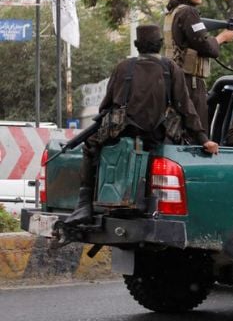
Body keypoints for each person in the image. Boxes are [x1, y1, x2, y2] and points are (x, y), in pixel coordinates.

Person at [64, 25, 219, 225]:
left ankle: (84, 205)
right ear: (160, 45)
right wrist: (203, 139)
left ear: (137, 46)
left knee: (90, 147)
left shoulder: (123, 67)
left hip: (122, 132)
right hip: (157, 136)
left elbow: (106, 106)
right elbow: (186, 108)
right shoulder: (171, 68)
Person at [163, 0, 233, 133]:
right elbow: (206, 47)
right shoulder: (188, 12)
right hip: (190, 82)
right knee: (197, 131)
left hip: (178, 79)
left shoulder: (173, 13)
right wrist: (222, 37)